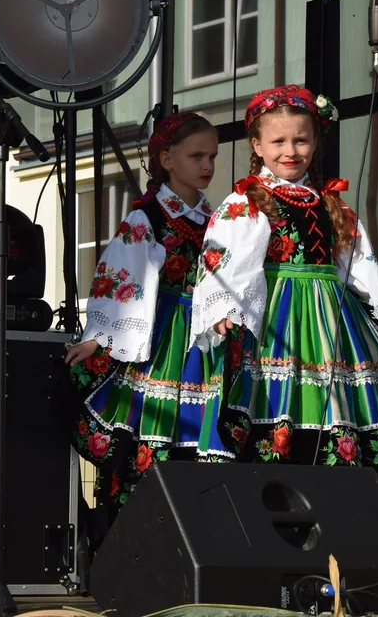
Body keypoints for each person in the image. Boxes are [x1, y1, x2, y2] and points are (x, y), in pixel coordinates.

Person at [189, 84, 378, 467]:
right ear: (257, 146)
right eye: (278, 141)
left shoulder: (331, 203)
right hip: (277, 315)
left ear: (315, 142)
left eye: (301, 140)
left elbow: (361, 268)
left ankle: (326, 478)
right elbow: (225, 258)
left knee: (334, 400)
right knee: (279, 397)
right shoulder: (246, 199)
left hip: (333, 318)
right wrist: (223, 309)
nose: (290, 151)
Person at [57, 112, 228, 542]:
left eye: (212, 156)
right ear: (166, 158)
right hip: (159, 340)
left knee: (196, 443)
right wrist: (99, 335)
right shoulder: (146, 216)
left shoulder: (219, 219)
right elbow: (119, 280)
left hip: (203, 344)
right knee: (146, 438)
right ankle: (130, 549)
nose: (207, 165)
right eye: (196, 156)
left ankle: (192, 547)